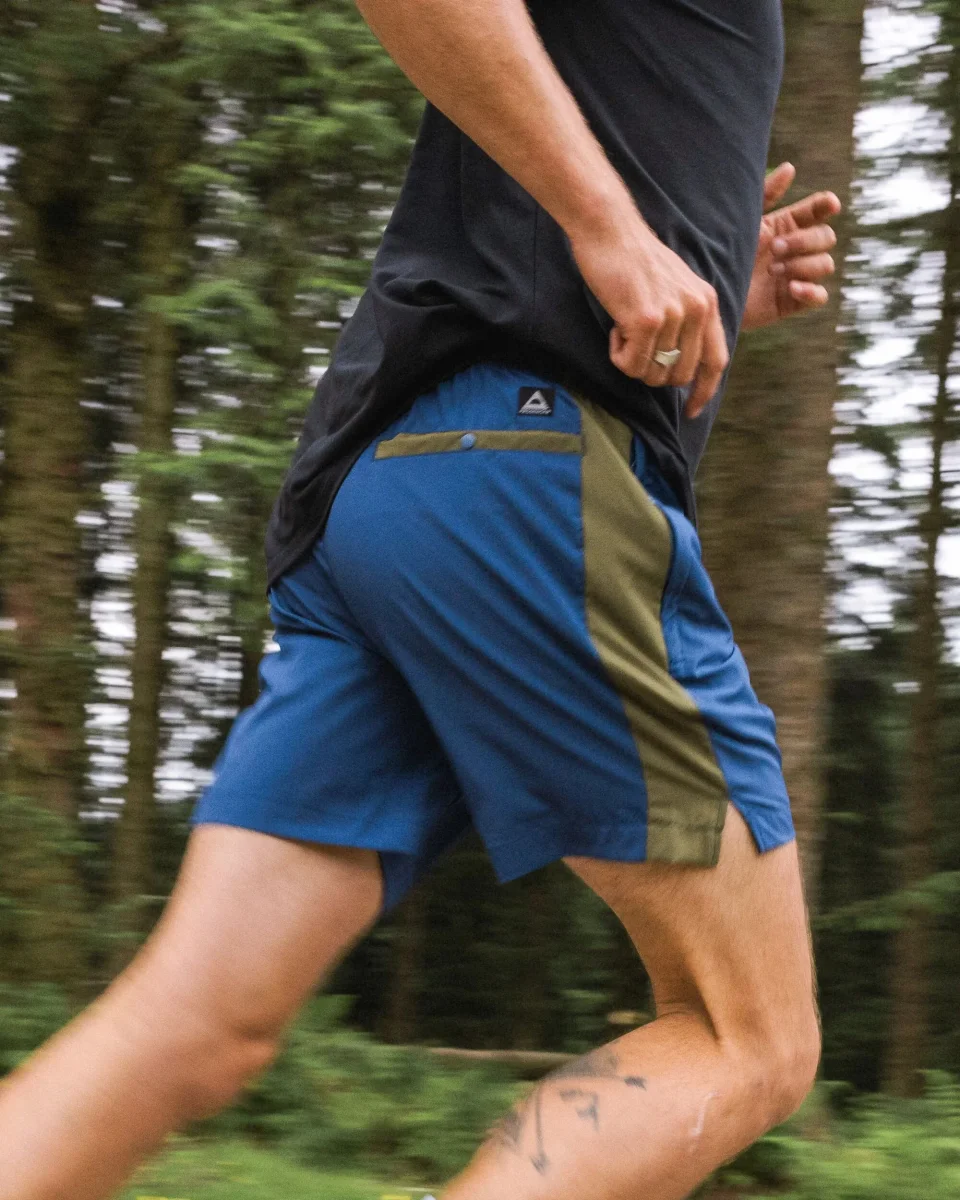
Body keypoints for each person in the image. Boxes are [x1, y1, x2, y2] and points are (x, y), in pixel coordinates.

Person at [0, 0, 843, 1197]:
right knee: (746, 1037)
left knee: (192, 1021)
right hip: (526, 479)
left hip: (392, 489)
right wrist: (611, 226)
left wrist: (696, 256)